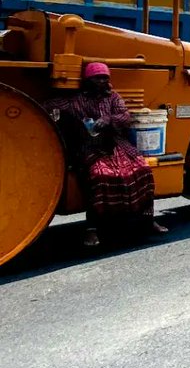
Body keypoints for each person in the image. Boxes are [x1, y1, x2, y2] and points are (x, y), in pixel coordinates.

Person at [47, 61, 166, 249]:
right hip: (89, 146)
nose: (102, 81)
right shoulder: (75, 100)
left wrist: (108, 119)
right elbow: (49, 104)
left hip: (117, 144)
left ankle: (147, 220)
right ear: (88, 80)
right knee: (100, 176)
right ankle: (92, 228)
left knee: (143, 169)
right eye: (98, 78)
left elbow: (125, 116)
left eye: (105, 78)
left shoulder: (113, 98)